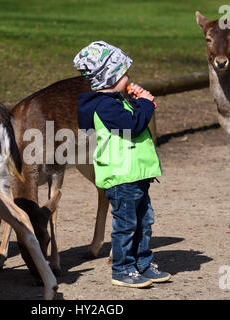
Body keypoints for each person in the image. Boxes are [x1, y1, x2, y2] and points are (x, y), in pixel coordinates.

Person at [74, 41, 171, 288]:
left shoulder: (117, 102)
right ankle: (122, 269)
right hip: (121, 176)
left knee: (144, 221)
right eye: (124, 72)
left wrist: (137, 101)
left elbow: (131, 121)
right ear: (110, 76)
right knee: (126, 225)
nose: (128, 77)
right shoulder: (105, 106)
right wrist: (147, 104)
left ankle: (142, 264)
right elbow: (133, 126)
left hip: (135, 174)